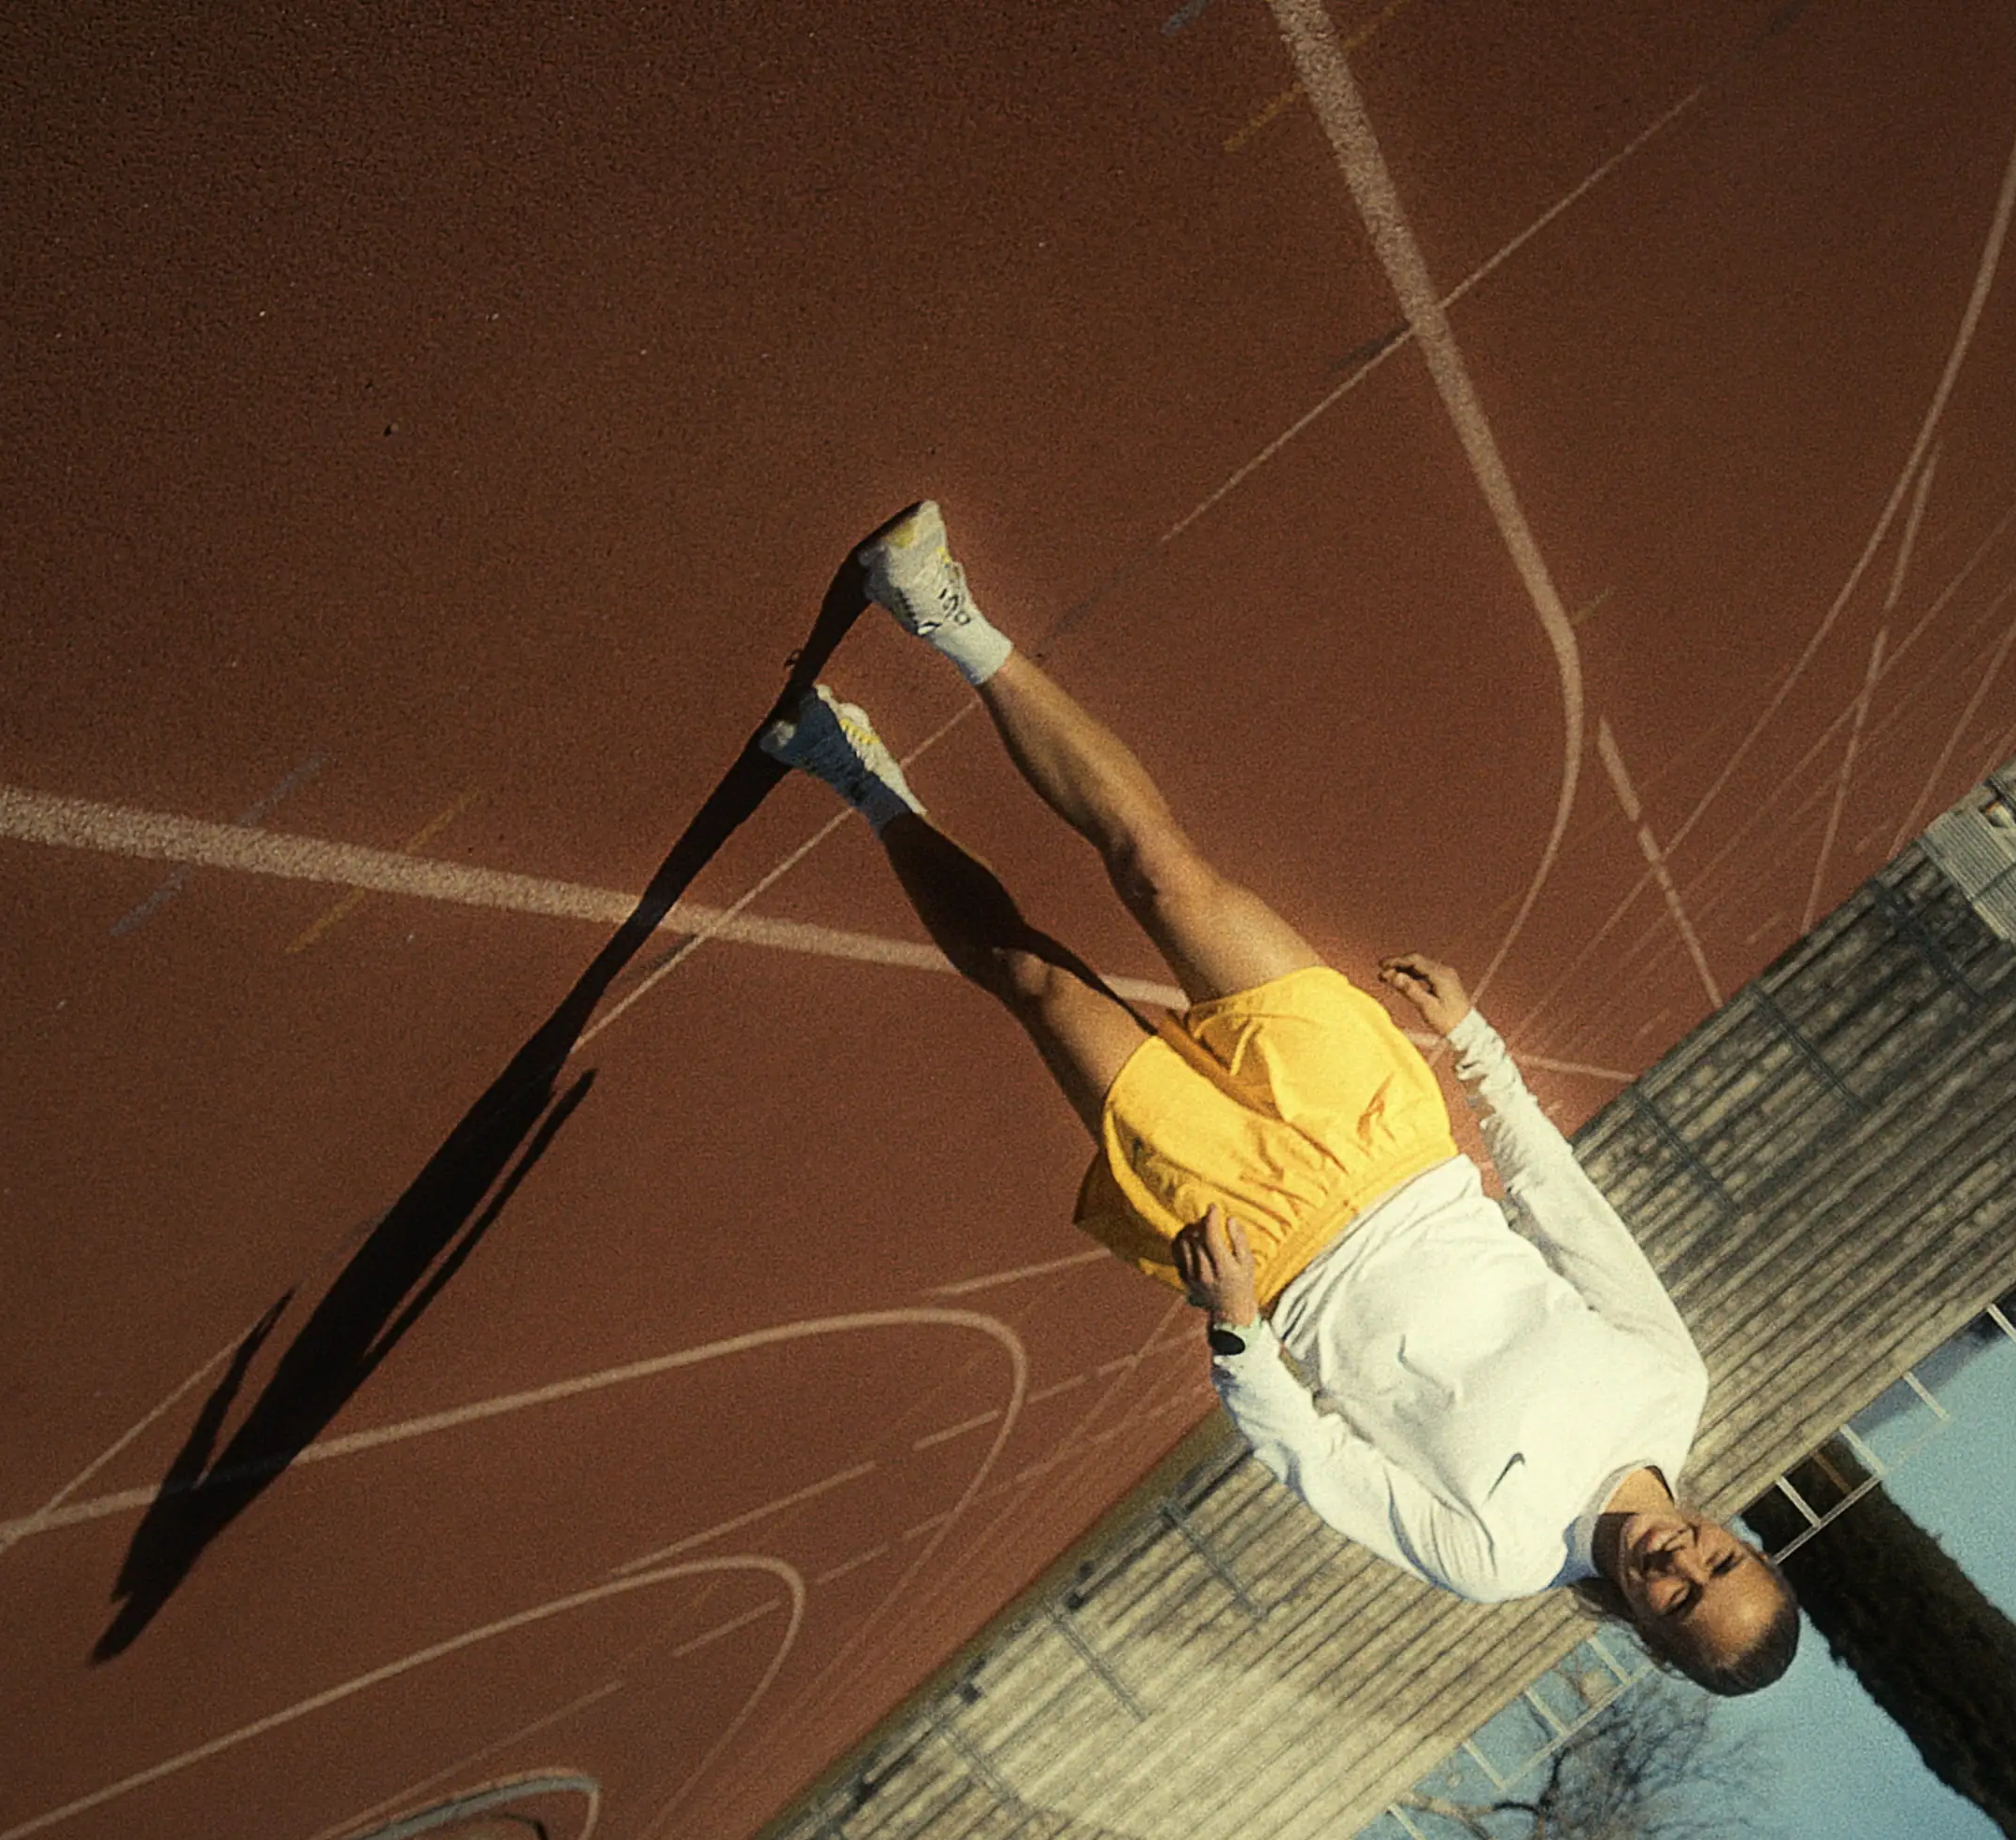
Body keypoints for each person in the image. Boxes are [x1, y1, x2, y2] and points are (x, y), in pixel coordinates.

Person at [757, 502, 1798, 1695]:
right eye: (1723, 1560)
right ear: (1740, 1534)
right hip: (1386, 1132)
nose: (1684, 1562)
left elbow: (1314, 1458)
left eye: (1682, 1599)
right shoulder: (1670, 1380)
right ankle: (949, 617)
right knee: (1163, 871)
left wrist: (1237, 1324)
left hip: (1274, 1246)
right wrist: (1474, 1046)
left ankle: (858, 775)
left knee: (1038, 983)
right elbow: (1565, 1207)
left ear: (1649, 1632)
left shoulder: (1499, 1557)